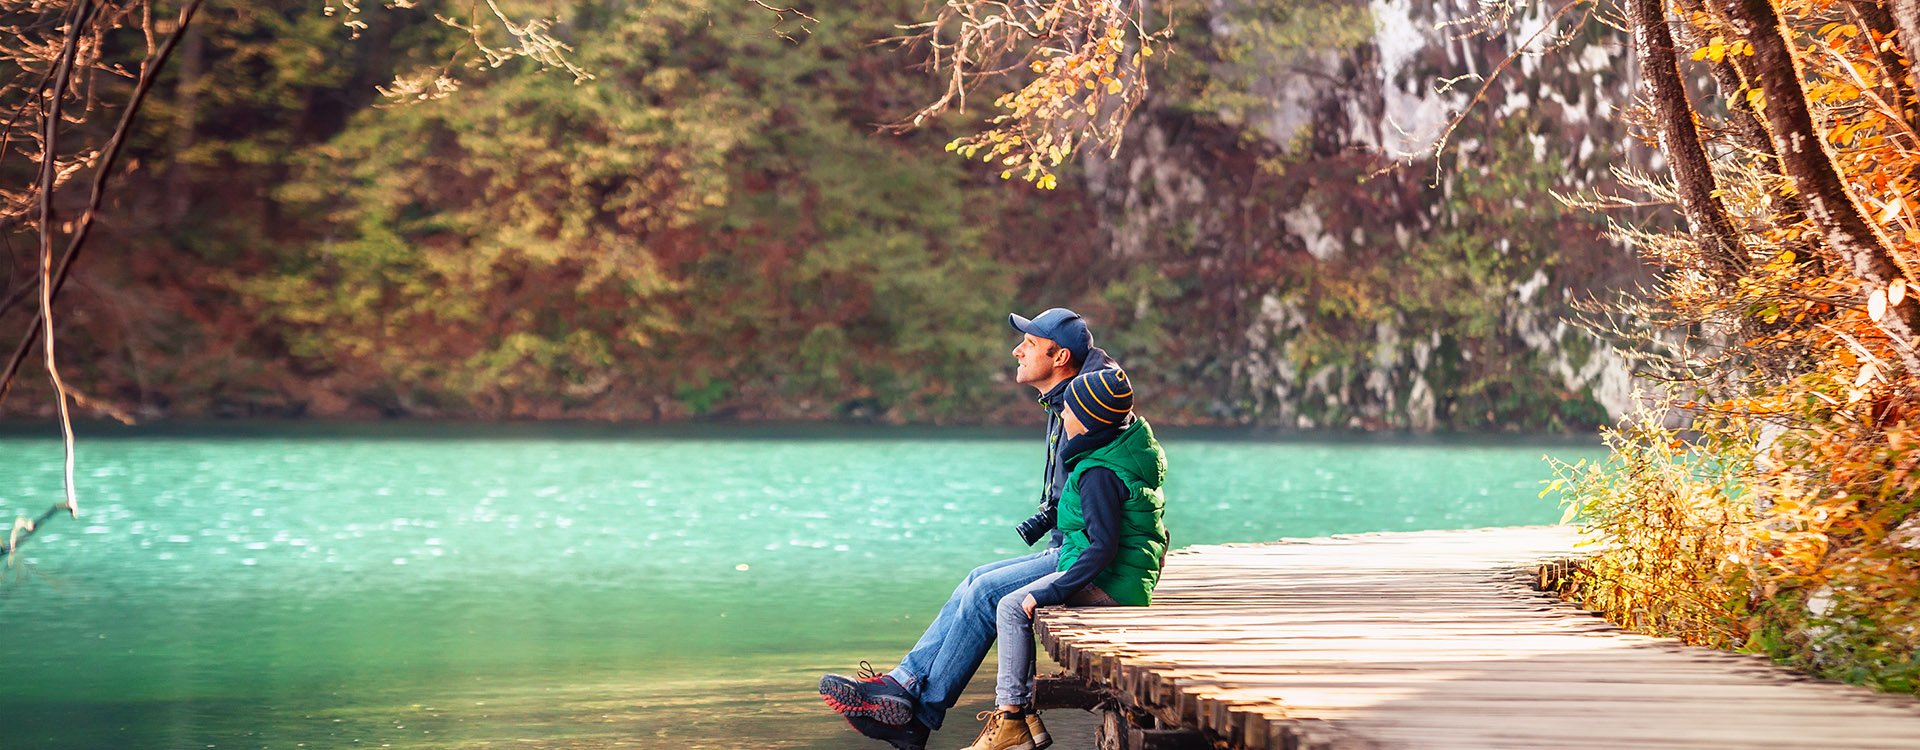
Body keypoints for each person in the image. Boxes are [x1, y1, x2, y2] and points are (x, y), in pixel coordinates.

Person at [817, 308, 1118, 750]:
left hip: (1083, 557)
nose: (1017, 350)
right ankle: (903, 687)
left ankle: (916, 715)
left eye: (1029, 344)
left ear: (1060, 357)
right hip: (1068, 543)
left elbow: (1101, 512)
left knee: (984, 594)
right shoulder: (1073, 399)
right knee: (976, 578)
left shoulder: (1089, 409)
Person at [965, 367, 1168, 750]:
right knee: (1007, 598)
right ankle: (1022, 719)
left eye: (1070, 410)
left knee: (1011, 606)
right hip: (1124, 576)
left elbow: (1103, 547)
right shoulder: (1123, 454)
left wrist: (1052, 590)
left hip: (1111, 583)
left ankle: (1012, 720)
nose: (1063, 415)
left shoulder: (1099, 474)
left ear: (1090, 420)